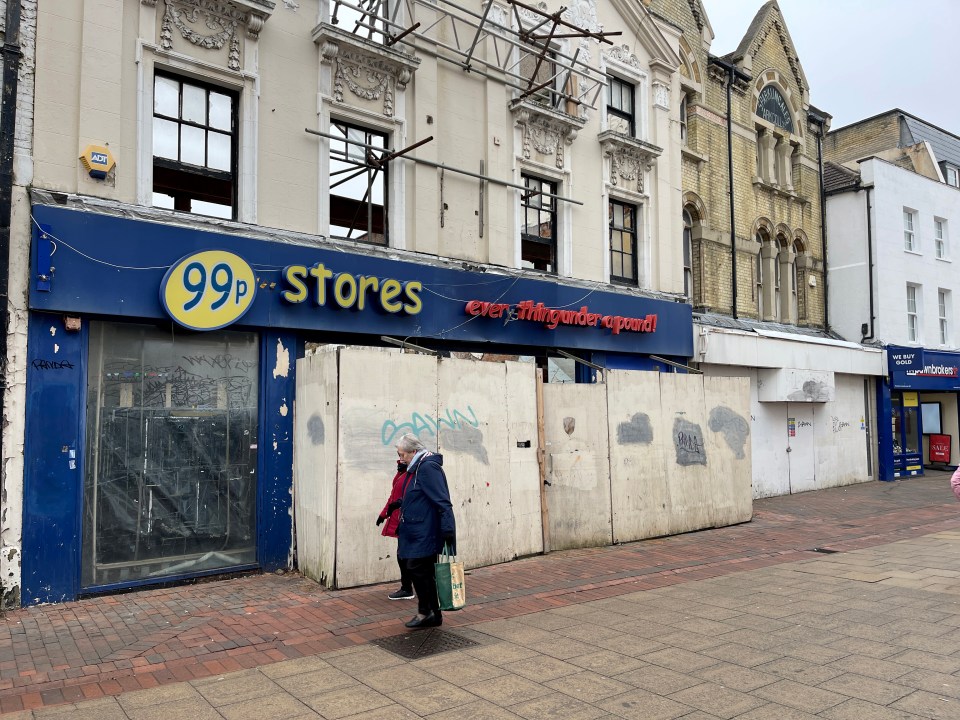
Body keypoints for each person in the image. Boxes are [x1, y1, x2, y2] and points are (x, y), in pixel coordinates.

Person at [394, 433, 456, 629]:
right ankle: (432, 614)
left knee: (417, 568)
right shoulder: (415, 468)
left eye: (403, 454)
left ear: (414, 451)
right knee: (422, 571)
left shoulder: (427, 467)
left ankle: (426, 612)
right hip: (415, 529)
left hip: (425, 531)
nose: (400, 458)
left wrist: (447, 528)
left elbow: (442, 500)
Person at [376, 458, 414, 600]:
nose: (401, 458)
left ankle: (409, 588)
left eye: (403, 454)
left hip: (408, 520)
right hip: (401, 518)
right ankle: (407, 587)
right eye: (399, 454)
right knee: (402, 555)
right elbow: (394, 496)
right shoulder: (403, 472)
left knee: (407, 555)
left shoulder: (414, 473)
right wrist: (383, 514)